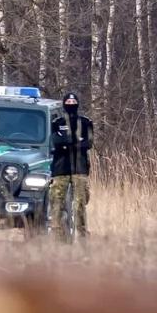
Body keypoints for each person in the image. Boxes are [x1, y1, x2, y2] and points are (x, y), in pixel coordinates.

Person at [49, 92, 94, 240]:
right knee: (57, 203)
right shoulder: (57, 122)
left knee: (80, 204)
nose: (70, 104)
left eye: (72, 101)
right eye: (67, 101)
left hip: (79, 169)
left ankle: (82, 236)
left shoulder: (86, 122)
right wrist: (73, 142)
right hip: (60, 168)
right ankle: (58, 236)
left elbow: (88, 143)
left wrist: (69, 143)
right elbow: (55, 141)